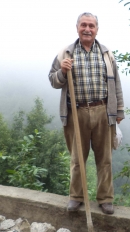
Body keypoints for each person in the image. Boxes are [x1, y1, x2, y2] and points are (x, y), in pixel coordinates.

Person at [48, 12, 124, 215]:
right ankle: (76, 197)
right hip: (76, 112)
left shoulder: (107, 54)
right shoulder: (65, 53)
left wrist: (119, 111)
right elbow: (53, 80)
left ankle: (105, 199)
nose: (87, 29)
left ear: (97, 29)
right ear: (77, 28)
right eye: (84, 25)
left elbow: (116, 83)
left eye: (91, 25)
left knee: (104, 158)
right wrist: (62, 72)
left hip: (102, 110)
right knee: (77, 158)